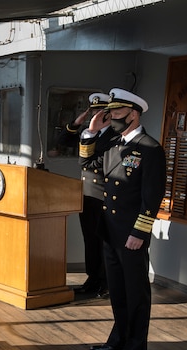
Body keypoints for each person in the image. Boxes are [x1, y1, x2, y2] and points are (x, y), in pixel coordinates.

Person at [79, 88, 166, 350]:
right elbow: (88, 164)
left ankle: (135, 348)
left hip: (131, 235)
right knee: (117, 291)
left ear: (133, 113)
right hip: (110, 231)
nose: (111, 116)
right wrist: (91, 133)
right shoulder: (114, 145)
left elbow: (151, 198)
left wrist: (139, 233)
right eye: (111, 112)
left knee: (136, 293)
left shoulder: (150, 148)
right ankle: (118, 338)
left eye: (117, 112)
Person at [65, 93, 116, 298]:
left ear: (108, 114)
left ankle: (105, 282)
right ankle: (92, 278)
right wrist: (76, 123)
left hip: (102, 196)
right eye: (92, 111)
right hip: (87, 195)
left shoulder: (113, 136)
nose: (95, 115)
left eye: (99, 111)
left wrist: (92, 132)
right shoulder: (88, 133)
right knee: (90, 241)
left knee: (103, 241)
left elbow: (91, 163)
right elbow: (63, 140)